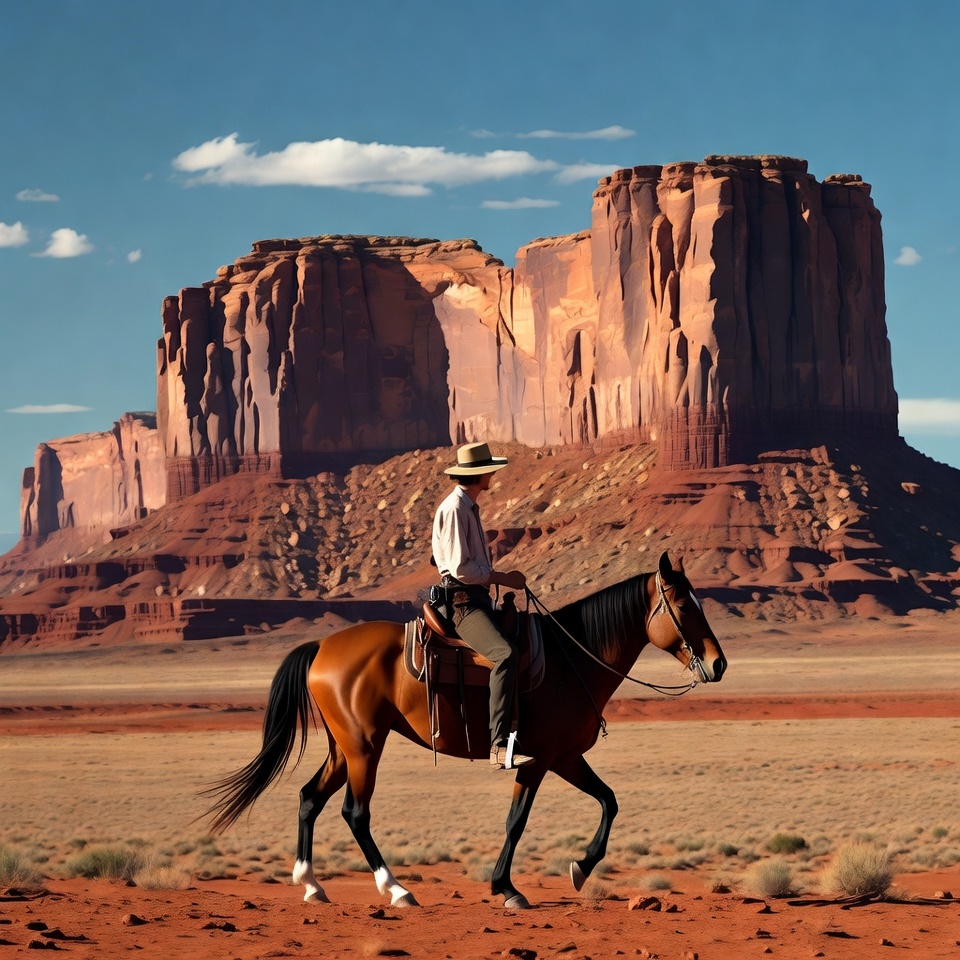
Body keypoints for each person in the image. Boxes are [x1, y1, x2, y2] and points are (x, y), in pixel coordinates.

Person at [431, 442, 535, 770]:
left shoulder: (468, 507)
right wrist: (501, 576)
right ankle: (499, 745)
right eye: (490, 469)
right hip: (463, 605)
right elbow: (460, 569)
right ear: (480, 474)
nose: (493, 474)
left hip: (476, 600)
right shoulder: (455, 509)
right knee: (505, 654)